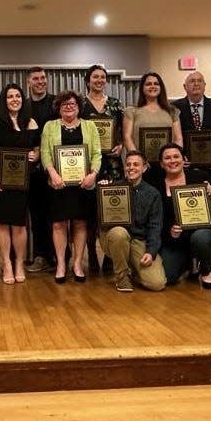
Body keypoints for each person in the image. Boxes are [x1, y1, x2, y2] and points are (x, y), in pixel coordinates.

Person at [0, 83, 40, 284]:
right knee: (2, 224)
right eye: (10, 96)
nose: (15, 99)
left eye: (18, 96)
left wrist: (35, 155)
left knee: (20, 225)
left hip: (22, 183)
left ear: (23, 99)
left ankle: (19, 263)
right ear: (4, 101)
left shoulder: (30, 122)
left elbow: (38, 149)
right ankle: (7, 264)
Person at [40, 90, 102, 284]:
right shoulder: (50, 127)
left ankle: (77, 263)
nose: (69, 107)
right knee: (58, 224)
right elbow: (45, 153)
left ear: (78, 107)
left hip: (83, 185)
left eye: (73, 104)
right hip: (58, 184)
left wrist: (93, 175)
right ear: (58, 107)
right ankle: (60, 264)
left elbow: (97, 154)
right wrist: (53, 174)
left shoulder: (89, 126)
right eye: (64, 104)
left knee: (80, 223)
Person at [151, 143, 211, 289]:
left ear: (183, 159)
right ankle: (191, 261)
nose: (172, 160)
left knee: (200, 238)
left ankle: (205, 270)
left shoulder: (200, 177)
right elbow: (156, 219)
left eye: (176, 156)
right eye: (167, 158)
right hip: (177, 241)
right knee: (169, 276)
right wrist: (170, 231)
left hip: (206, 234)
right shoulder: (156, 187)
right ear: (162, 164)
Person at [99, 151, 167, 293]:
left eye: (136, 164)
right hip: (114, 237)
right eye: (128, 164)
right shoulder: (112, 187)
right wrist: (102, 190)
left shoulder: (153, 193)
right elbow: (101, 220)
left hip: (138, 240)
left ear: (144, 168)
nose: (131, 168)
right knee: (119, 234)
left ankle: (132, 269)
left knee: (157, 283)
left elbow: (155, 226)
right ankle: (122, 277)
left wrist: (151, 251)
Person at [81, 64, 124, 276]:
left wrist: (121, 145)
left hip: (113, 165)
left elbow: (123, 131)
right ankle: (90, 252)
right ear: (88, 80)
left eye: (102, 77)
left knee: (112, 210)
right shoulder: (80, 104)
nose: (99, 80)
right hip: (88, 166)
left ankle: (109, 255)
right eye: (95, 77)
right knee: (89, 212)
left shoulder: (115, 104)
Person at [172, 71, 211, 186]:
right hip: (184, 173)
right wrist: (177, 156)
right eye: (192, 81)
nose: (196, 84)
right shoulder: (173, 108)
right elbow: (171, 137)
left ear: (205, 85)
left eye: (199, 81)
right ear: (185, 87)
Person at [25, 66, 56, 274]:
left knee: (56, 215)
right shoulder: (23, 106)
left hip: (56, 168)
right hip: (32, 171)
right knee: (36, 215)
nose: (40, 81)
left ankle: (59, 256)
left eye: (43, 78)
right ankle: (39, 256)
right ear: (29, 82)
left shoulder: (56, 103)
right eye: (35, 78)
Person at [122, 72, 183, 179]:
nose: (153, 86)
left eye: (156, 83)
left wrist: (174, 159)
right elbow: (127, 137)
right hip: (142, 168)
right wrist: (139, 160)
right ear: (142, 88)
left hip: (168, 166)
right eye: (148, 84)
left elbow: (178, 138)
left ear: (161, 87)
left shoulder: (172, 111)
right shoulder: (132, 111)